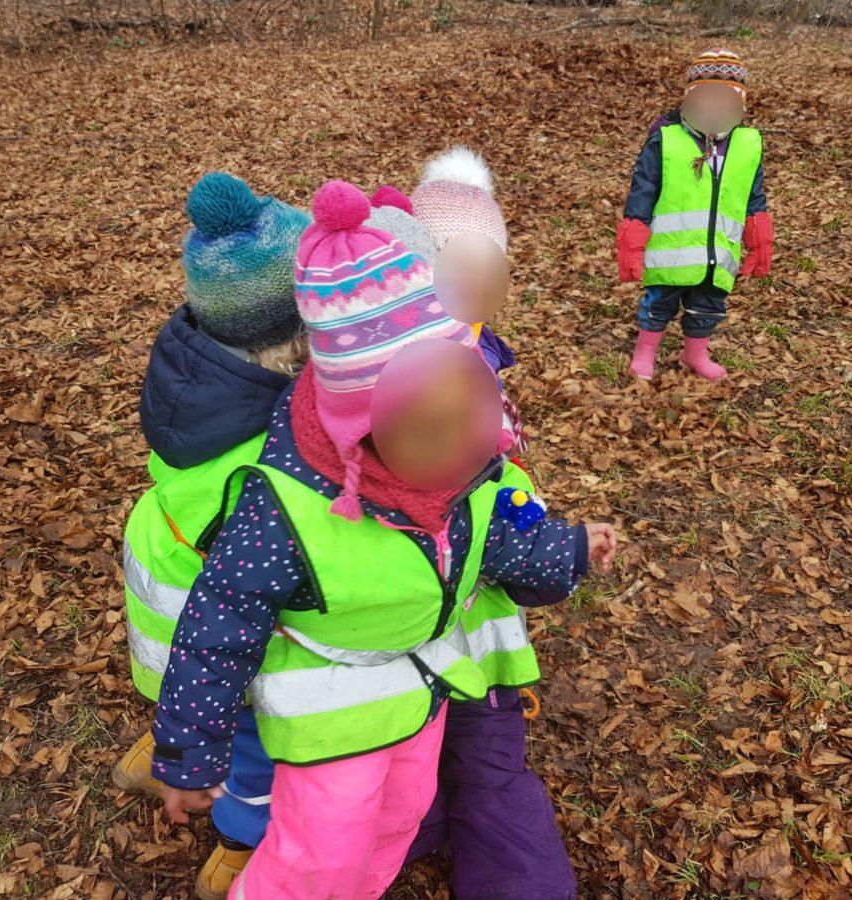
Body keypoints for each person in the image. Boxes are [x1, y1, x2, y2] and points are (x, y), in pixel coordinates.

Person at [150, 180, 618, 899]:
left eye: (472, 413)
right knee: (322, 852)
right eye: (436, 432)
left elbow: (496, 541)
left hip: (418, 695)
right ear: (360, 434)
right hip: (330, 713)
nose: (468, 449)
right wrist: (190, 754)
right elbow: (218, 628)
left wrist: (570, 552)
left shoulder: (457, 463)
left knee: (396, 822)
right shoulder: (280, 509)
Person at [110, 171, 310, 900]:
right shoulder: (271, 435)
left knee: (184, 685)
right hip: (217, 609)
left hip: (164, 575)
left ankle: (164, 737)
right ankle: (238, 840)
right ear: (293, 334)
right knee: (256, 738)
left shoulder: (190, 360)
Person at [406, 147, 579, 899]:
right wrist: (555, 547)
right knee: (460, 756)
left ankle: (431, 827)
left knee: (457, 754)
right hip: (440, 614)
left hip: (444, 618)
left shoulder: (475, 359)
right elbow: (487, 516)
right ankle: (430, 828)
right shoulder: (423, 387)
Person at [616, 48, 774, 382]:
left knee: (708, 306)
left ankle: (694, 354)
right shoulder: (667, 139)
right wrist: (634, 228)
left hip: (718, 248)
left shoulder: (747, 145)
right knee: (659, 303)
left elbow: (753, 191)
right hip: (671, 248)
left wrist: (758, 229)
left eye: (725, 99)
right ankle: (644, 354)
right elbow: (644, 186)